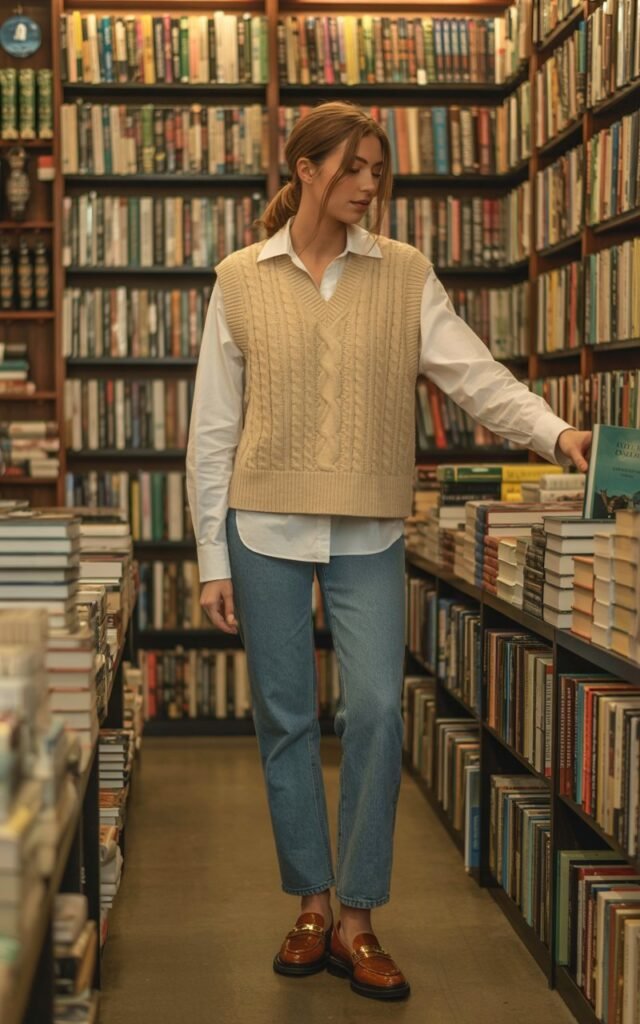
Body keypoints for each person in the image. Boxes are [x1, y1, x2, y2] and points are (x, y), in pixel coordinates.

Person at [185, 101, 591, 1002]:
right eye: (356, 168)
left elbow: (475, 375)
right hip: (263, 527)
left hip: (368, 525)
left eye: (379, 170)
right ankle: (312, 904)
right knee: (285, 722)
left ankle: (361, 916)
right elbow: (213, 430)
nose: (371, 185)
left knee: (373, 712)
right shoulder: (240, 278)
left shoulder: (405, 273)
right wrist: (213, 556)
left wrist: (558, 434)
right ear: (306, 169)